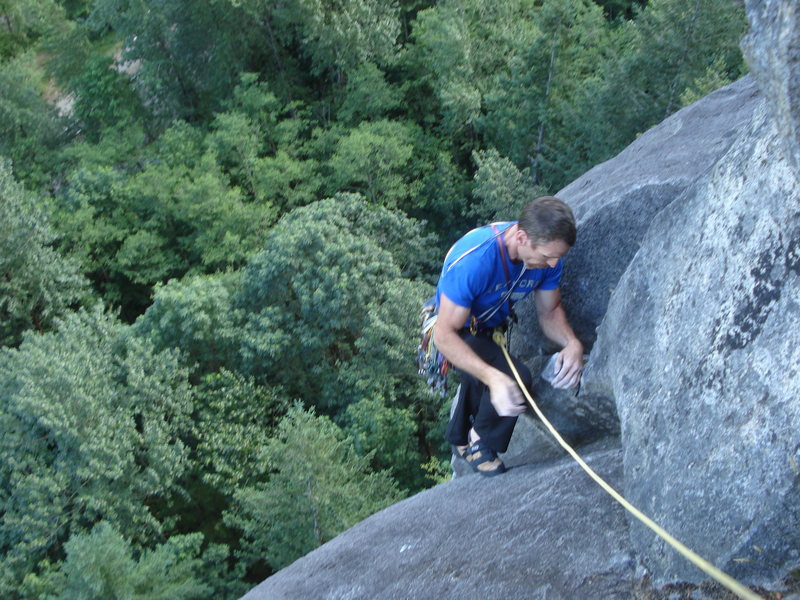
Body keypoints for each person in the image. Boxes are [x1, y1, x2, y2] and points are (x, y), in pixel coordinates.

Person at [434, 196, 583, 476]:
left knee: (491, 363)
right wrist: (494, 378)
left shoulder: (547, 258)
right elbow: (445, 335)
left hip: (487, 326)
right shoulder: (477, 259)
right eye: (547, 256)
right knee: (513, 378)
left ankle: (460, 437)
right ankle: (481, 443)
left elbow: (549, 312)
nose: (553, 265)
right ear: (522, 237)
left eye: (558, 257)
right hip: (451, 327)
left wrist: (572, 343)